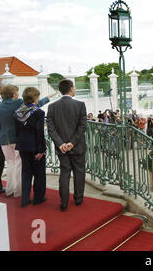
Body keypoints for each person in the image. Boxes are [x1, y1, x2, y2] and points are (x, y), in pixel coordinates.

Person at [0, 85, 54, 198]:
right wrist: (47, 98)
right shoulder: (18, 103)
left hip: (3, 138)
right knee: (18, 164)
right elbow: (33, 106)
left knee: (10, 164)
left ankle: (9, 189)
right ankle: (18, 191)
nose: (17, 94)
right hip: (16, 138)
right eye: (16, 92)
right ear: (13, 94)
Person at [47, 79, 87, 212]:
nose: (74, 90)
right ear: (71, 89)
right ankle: (78, 199)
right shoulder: (80, 105)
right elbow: (82, 127)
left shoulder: (52, 107)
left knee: (64, 173)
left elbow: (51, 129)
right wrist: (72, 143)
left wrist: (61, 144)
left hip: (61, 148)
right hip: (77, 146)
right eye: (74, 88)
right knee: (79, 172)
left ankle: (63, 203)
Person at [14, 87, 47, 207]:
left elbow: (17, 131)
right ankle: (38, 198)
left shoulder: (18, 111)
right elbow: (39, 132)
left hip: (22, 146)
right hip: (35, 147)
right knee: (39, 174)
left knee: (26, 173)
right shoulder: (39, 112)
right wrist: (41, 150)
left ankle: (25, 199)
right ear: (35, 97)